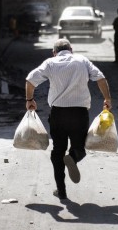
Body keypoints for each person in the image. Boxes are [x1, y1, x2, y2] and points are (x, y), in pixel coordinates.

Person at [25, 38, 112, 200]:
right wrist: (107, 99)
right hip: (79, 113)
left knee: (57, 151)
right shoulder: (82, 60)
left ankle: (61, 190)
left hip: (58, 113)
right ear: (71, 49)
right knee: (79, 148)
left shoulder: (50, 62)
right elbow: (100, 78)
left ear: (54, 52)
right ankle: (72, 158)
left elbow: (30, 80)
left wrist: (30, 100)